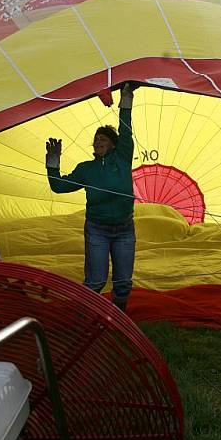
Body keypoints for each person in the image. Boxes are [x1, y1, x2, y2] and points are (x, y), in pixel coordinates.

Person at [45, 83, 137, 311]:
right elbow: (58, 187)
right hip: (98, 229)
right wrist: (53, 161)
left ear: (113, 144)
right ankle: (83, 318)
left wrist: (126, 97)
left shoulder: (123, 157)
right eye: (95, 140)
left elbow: (125, 129)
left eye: (102, 139)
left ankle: (118, 318)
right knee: (95, 281)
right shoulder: (86, 169)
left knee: (123, 282)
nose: (97, 142)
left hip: (124, 228)